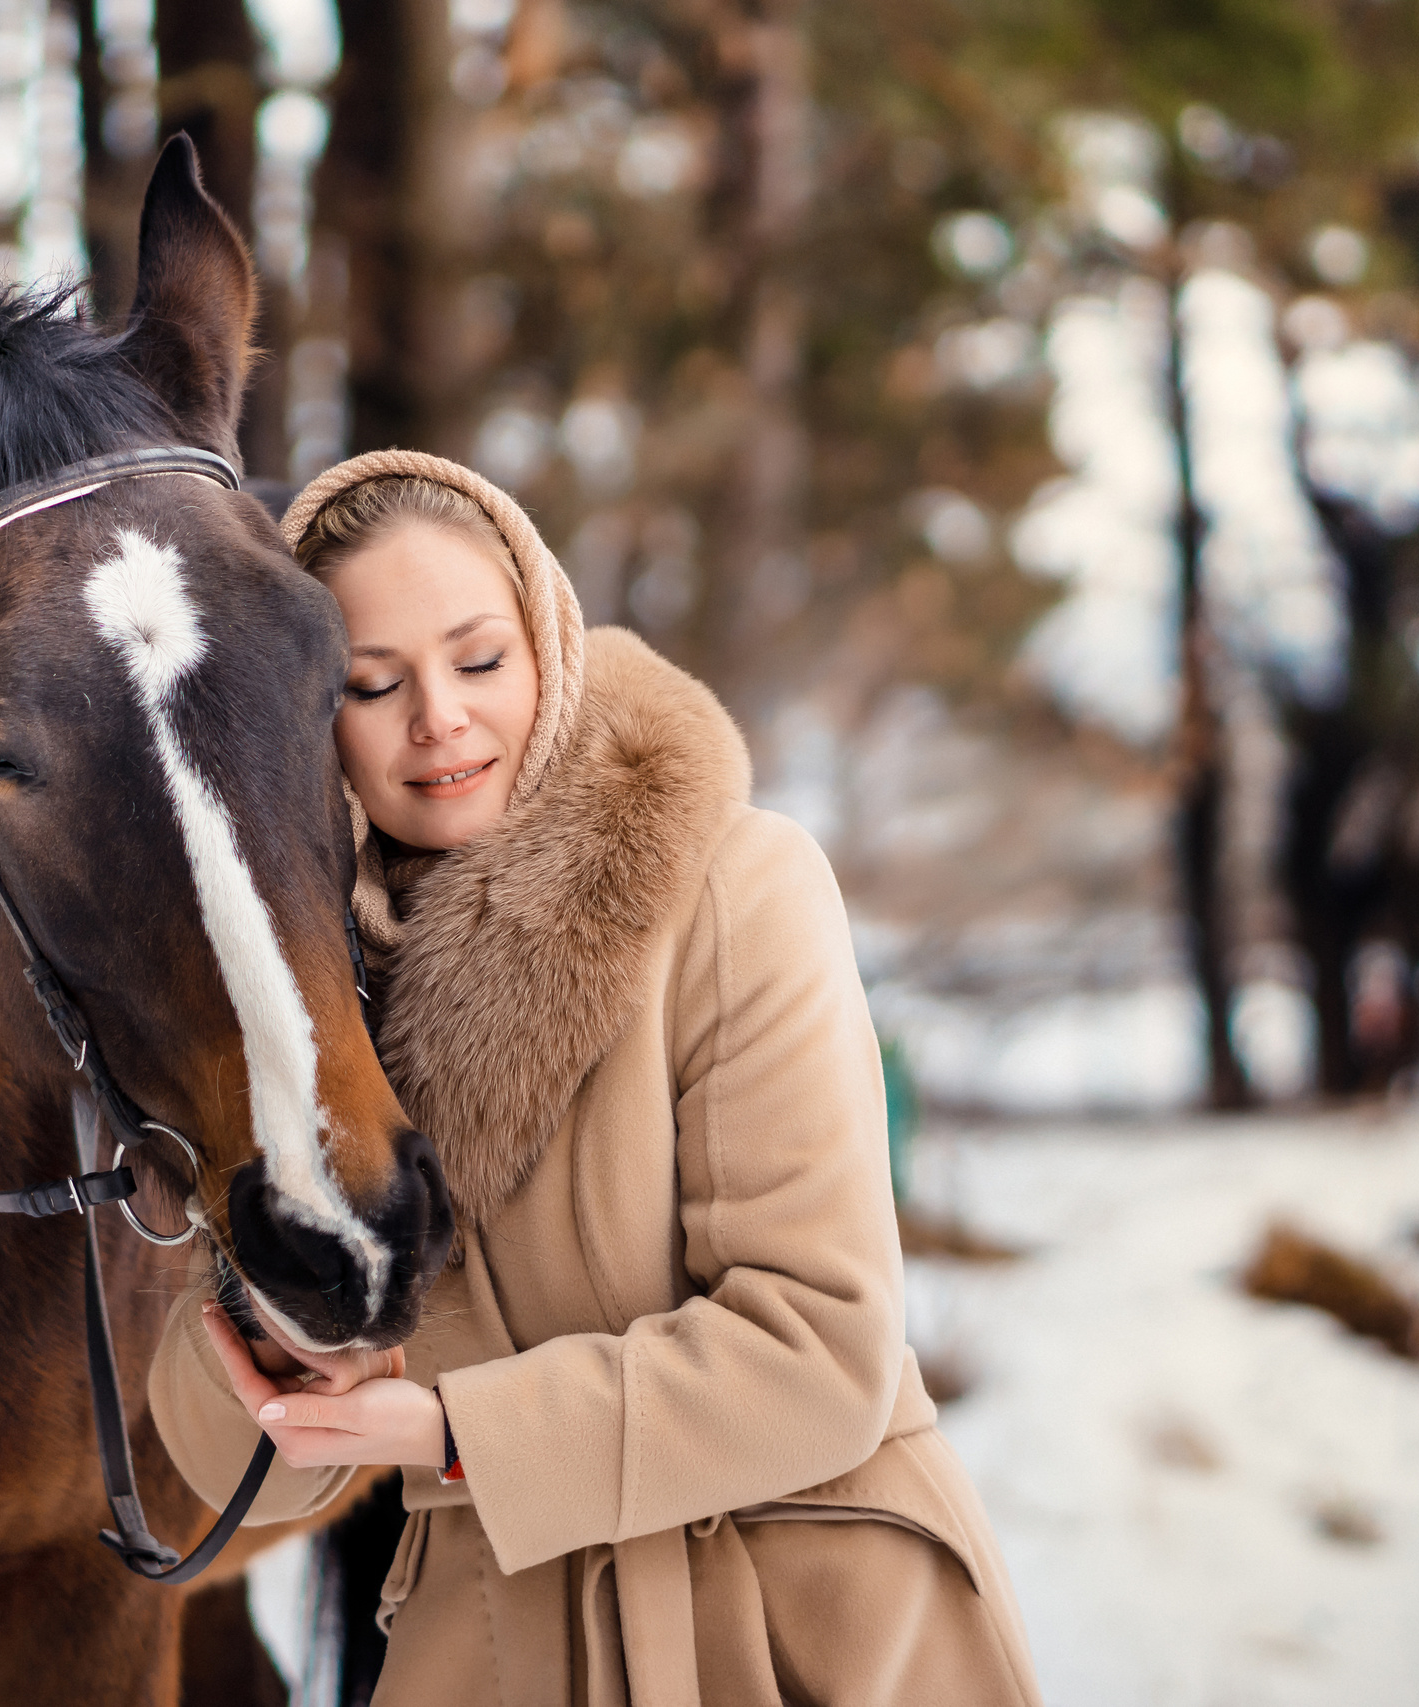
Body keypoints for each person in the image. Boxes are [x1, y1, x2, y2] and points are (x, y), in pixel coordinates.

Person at [147, 449, 1043, 1706]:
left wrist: (457, 1435)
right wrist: (286, 1337)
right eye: (371, 683)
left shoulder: (734, 887)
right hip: (493, 1647)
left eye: (477, 660)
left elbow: (822, 1351)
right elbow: (217, 1453)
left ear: (547, 644)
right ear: (309, 716)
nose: (438, 720)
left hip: (794, 1628)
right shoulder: (291, 991)